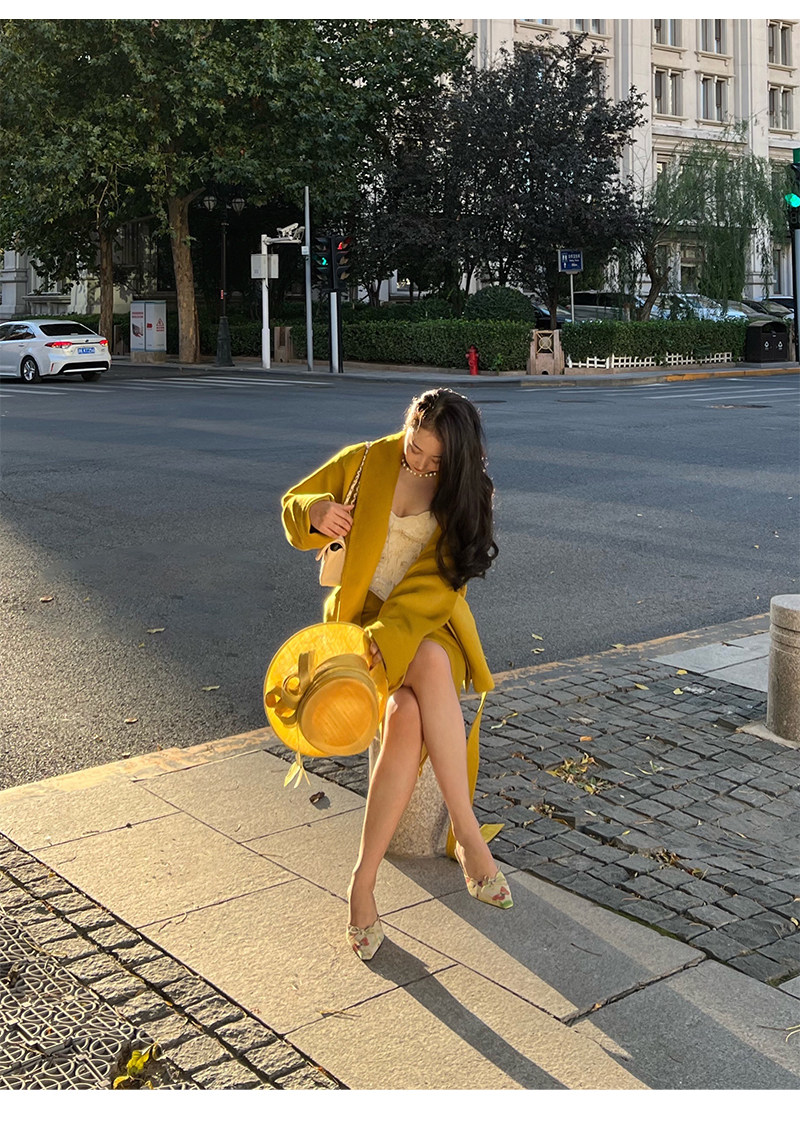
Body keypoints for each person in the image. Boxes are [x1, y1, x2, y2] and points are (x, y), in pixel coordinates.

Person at [280, 387, 512, 961]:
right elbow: (293, 504)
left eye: (436, 460)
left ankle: (442, 845)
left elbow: (439, 585)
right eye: (414, 449)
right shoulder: (367, 460)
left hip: (428, 624)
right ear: (407, 428)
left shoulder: (466, 490)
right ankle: (385, 875)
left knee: (429, 659)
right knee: (404, 714)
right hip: (358, 626)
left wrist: (390, 639)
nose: (422, 464)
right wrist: (315, 512)